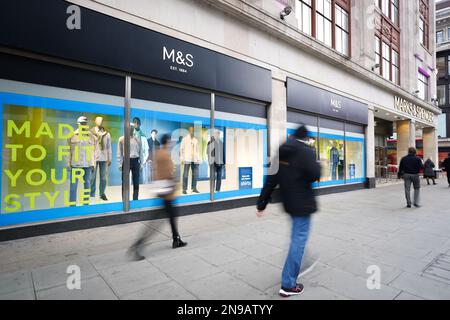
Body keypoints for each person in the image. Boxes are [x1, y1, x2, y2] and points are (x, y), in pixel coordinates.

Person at [256, 125, 321, 298]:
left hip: (289, 203)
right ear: (306, 137)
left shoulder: (280, 152)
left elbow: (270, 180)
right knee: (299, 239)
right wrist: (318, 165)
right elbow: (315, 174)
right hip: (303, 203)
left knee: (297, 236)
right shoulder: (306, 151)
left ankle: (302, 261)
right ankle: (288, 284)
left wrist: (261, 203)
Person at [127, 134, 187, 261]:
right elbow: (168, 172)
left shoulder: (158, 153)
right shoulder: (165, 154)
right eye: (170, 142)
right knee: (156, 223)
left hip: (161, 192)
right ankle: (137, 245)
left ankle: (176, 239)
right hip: (167, 194)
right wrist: (175, 183)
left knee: (172, 217)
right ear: (168, 142)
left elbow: (156, 172)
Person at [117, 123, 145, 200]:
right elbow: (119, 152)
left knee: (136, 181)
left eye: (132, 128)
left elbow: (141, 152)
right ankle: (124, 199)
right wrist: (119, 163)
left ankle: (135, 199)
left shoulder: (138, 139)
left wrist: (141, 163)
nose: (131, 129)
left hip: (136, 161)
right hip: (126, 161)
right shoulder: (122, 139)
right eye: (129, 128)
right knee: (125, 182)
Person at [90, 116, 112, 201]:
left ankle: (102, 193)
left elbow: (109, 147)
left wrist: (109, 159)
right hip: (94, 158)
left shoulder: (107, 134)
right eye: (98, 120)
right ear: (95, 121)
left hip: (104, 158)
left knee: (103, 178)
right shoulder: (91, 133)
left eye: (101, 120)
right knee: (92, 178)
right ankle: (91, 195)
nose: (100, 121)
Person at [180, 127, 200, 194]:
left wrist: (198, 159)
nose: (191, 131)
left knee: (195, 174)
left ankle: (194, 188)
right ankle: (184, 189)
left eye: (193, 130)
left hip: (194, 159)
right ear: (188, 131)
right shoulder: (185, 139)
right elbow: (181, 149)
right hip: (187, 159)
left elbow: (197, 151)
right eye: (190, 130)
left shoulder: (196, 140)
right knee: (185, 174)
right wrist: (182, 158)